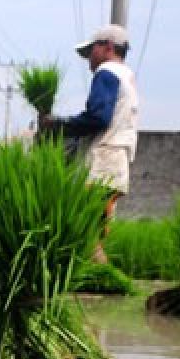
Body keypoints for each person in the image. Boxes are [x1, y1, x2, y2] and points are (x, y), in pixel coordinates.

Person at [40, 24, 139, 264]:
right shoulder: (127, 77)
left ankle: (104, 277)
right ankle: (99, 277)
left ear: (107, 47)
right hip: (117, 164)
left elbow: (98, 118)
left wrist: (58, 125)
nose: (89, 61)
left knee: (82, 226)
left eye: (91, 51)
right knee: (92, 230)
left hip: (104, 163)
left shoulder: (107, 72)